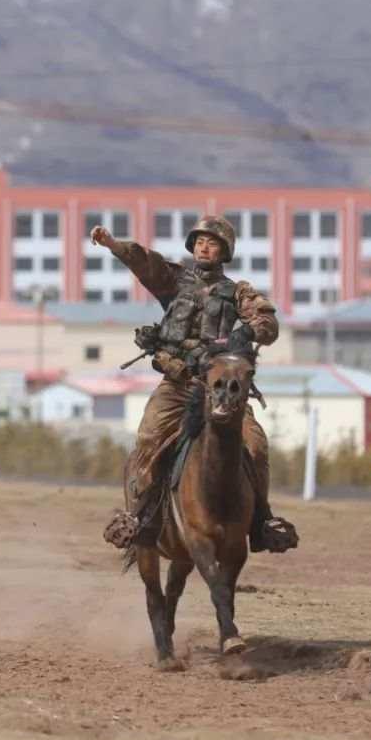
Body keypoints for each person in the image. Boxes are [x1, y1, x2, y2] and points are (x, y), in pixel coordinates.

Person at [94, 215, 298, 553]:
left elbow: (268, 322)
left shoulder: (238, 292)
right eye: (200, 241)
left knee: (257, 444)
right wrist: (113, 244)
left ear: (224, 251)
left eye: (212, 242)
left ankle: (262, 520)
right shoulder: (173, 280)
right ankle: (137, 516)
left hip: (220, 391)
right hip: (176, 386)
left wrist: (248, 331)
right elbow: (145, 262)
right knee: (148, 437)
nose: (204, 246)